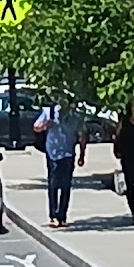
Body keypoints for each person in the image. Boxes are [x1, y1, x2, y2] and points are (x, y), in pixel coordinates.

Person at [34, 97, 87, 228]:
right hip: (53, 153)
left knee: (66, 185)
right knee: (53, 184)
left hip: (68, 153)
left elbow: (82, 136)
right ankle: (53, 216)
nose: (64, 105)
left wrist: (82, 155)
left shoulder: (76, 116)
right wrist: (46, 124)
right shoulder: (50, 112)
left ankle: (62, 216)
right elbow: (36, 127)